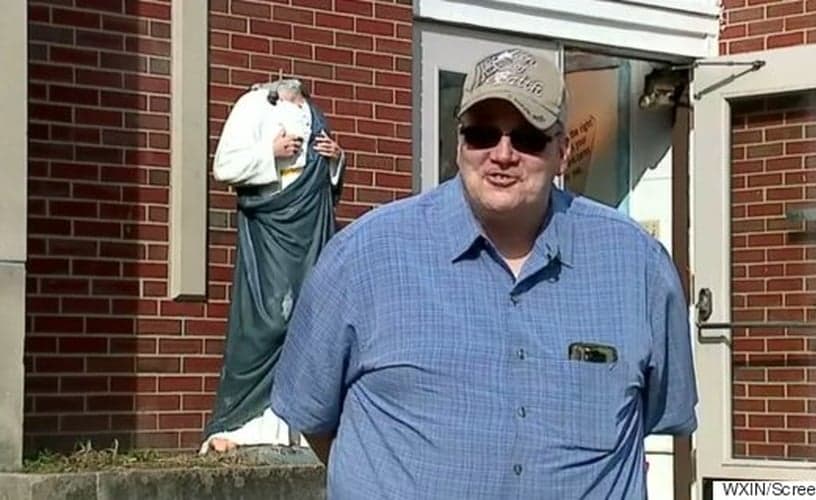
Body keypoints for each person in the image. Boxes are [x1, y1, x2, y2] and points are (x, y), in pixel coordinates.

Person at [271, 48, 697, 498]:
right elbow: (313, 417)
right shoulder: (363, 257)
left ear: (562, 150)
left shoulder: (638, 265)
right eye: (482, 134)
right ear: (460, 145)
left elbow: (656, 415)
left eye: (528, 138)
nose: (503, 154)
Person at [200, 78, 345, 454]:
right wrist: (271, 152)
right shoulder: (252, 105)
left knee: (308, 314)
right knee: (269, 318)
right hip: (272, 222)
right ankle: (244, 420)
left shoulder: (312, 112)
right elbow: (225, 166)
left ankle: (293, 423)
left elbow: (329, 179)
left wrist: (334, 159)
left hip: (310, 224)